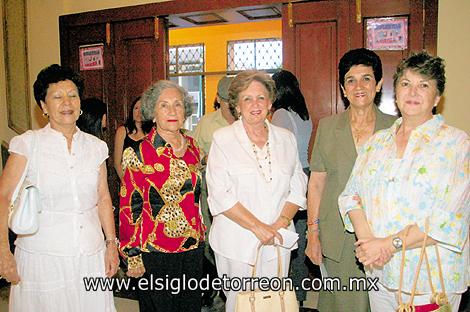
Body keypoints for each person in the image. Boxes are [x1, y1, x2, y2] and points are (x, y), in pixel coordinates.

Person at [339, 51, 469, 312]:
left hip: (429, 278)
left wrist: (388, 244)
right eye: (406, 84)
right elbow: (350, 196)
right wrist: (369, 243)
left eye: (424, 85)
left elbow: (448, 219)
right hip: (381, 274)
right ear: (395, 92)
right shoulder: (377, 143)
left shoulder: (456, 144)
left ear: (437, 97)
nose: (413, 92)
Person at [0, 64, 118, 311]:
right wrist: (3, 252)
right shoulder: (28, 144)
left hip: (90, 253)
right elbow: (3, 197)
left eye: (73, 95)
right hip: (43, 257)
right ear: (43, 106)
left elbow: (103, 198)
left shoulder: (95, 146)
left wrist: (111, 244)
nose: (67, 102)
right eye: (57, 96)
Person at [206, 70, 307, 311]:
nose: (255, 104)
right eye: (247, 99)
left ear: (270, 102)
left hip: (278, 237)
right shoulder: (223, 139)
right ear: (237, 106)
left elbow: (298, 184)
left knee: (273, 303)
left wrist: (280, 223)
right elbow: (220, 193)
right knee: (241, 304)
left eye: (261, 98)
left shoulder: (286, 138)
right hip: (237, 242)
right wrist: (258, 227)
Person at [305, 48, 397, 312]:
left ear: (378, 84)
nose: (359, 86)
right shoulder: (328, 127)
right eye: (351, 80)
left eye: (366, 78)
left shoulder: (395, 128)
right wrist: (313, 234)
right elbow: (316, 184)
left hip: (382, 234)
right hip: (337, 237)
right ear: (343, 89)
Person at [119, 80, 205, 312]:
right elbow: (129, 206)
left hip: (192, 247)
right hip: (154, 251)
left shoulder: (194, 148)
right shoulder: (138, 153)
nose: (172, 111)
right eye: (164, 105)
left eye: (177, 105)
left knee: (190, 307)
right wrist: (132, 253)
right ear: (152, 113)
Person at [190, 76, 235, 306]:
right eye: (226, 99)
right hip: (210, 193)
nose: (229, 104)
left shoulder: (246, 121)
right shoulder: (207, 123)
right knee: (211, 242)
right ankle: (214, 292)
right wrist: (206, 158)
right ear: (219, 98)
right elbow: (192, 156)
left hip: (239, 195)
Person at [271, 69, 312, 305]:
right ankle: (300, 295)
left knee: (288, 237)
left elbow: (281, 155)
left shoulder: (281, 115)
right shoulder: (302, 114)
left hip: (290, 178)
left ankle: (290, 296)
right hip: (306, 174)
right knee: (300, 237)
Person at [113, 97, 152, 179]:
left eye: (142, 109)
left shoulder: (152, 133)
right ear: (132, 111)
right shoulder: (122, 131)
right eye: (136, 108)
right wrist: (126, 183)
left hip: (148, 182)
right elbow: (117, 163)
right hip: (128, 181)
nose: (139, 112)